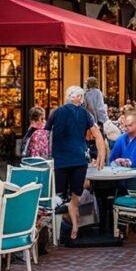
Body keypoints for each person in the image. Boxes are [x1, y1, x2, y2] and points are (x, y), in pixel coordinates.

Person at [48, 86, 107, 242]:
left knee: (65, 196)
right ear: (74, 97)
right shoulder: (79, 113)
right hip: (71, 160)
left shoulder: (60, 112)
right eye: (79, 96)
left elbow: (45, 133)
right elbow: (97, 134)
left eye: (82, 96)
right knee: (71, 198)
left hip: (66, 160)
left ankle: (64, 230)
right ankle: (69, 228)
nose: (81, 99)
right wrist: (101, 153)